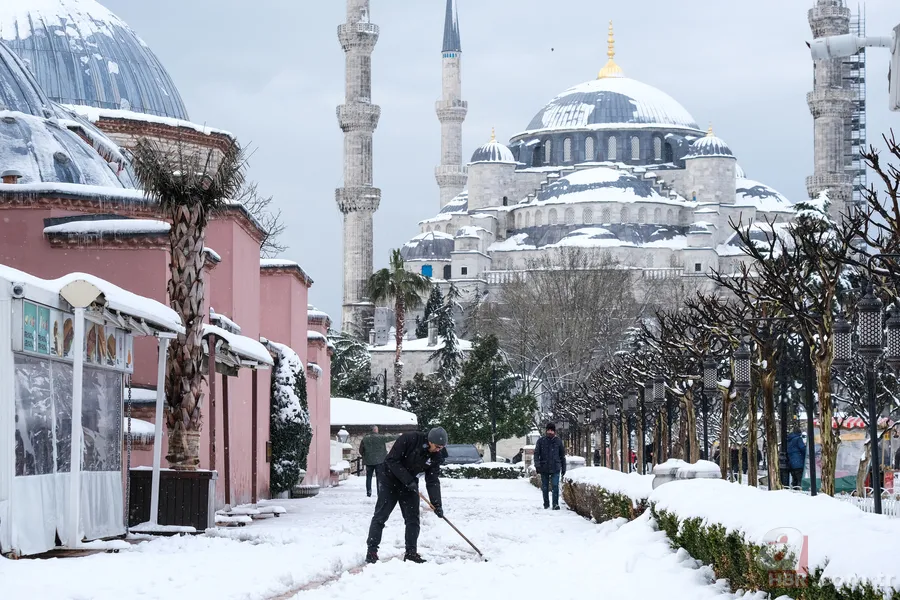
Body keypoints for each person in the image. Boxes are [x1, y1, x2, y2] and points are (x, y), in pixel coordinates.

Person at [365, 427, 448, 564]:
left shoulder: (436, 455)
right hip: (389, 481)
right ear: (429, 441)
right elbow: (391, 460)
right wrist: (408, 480)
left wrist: (437, 504)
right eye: (437, 447)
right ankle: (372, 551)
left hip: (410, 486)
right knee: (381, 516)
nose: (439, 450)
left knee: (413, 519)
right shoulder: (409, 439)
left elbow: (432, 480)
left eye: (441, 447)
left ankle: (411, 553)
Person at [534, 422, 566, 510]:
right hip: (544, 467)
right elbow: (536, 454)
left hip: (555, 467)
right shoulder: (541, 441)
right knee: (545, 487)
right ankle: (546, 503)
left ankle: (555, 504)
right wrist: (537, 465)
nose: (550, 432)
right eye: (548, 430)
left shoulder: (558, 441)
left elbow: (562, 456)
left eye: (552, 430)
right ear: (546, 431)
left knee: (555, 486)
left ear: (554, 432)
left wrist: (564, 468)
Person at [359, 425, 391, 497]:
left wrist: (366, 456)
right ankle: (379, 492)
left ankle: (369, 492)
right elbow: (390, 438)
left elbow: (361, 450)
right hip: (379, 461)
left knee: (369, 477)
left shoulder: (365, 439)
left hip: (369, 461)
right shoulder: (381, 437)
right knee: (379, 477)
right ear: (375, 430)